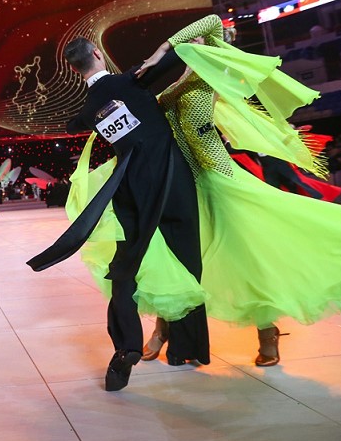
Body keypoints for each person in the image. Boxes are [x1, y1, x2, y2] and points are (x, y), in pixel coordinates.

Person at [78, 15, 341, 369]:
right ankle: (164, 330)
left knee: (248, 257)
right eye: (190, 44)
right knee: (178, 261)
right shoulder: (171, 88)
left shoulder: (208, 80)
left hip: (221, 180)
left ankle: (267, 332)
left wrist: (163, 48)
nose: (193, 45)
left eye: (199, 42)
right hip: (186, 185)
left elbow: (212, 21)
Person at [27, 35, 210, 392]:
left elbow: (73, 125)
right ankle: (186, 347)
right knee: (187, 256)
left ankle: (126, 348)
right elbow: (171, 58)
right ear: (98, 53)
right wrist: (185, 46)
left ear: (75, 70)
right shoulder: (130, 81)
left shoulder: (91, 107)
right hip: (170, 177)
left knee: (125, 269)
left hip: (130, 187)